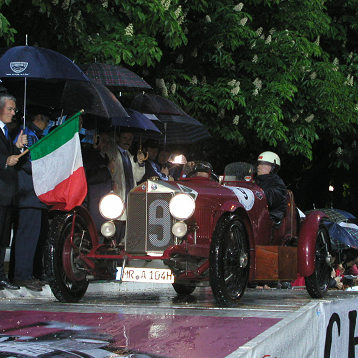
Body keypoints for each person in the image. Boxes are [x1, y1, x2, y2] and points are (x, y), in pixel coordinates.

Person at [12, 111, 50, 291]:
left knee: (35, 237)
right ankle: (22, 275)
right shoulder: (26, 134)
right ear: (38, 118)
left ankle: (30, 273)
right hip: (28, 194)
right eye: (47, 119)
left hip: (35, 195)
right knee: (27, 237)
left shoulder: (36, 135)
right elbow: (27, 162)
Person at [0, 94, 27, 290]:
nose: (13, 112)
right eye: (9, 109)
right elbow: (4, 159)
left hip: (8, 195)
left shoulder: (6, 132)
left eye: (14, 109)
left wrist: (17, 148)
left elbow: (11, 157)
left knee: (3, 238)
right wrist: (4, 161)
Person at [112, 129, 145, 242]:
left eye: (130, 139)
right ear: (118, 138)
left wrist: (140, 163)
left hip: (129, 194)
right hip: (117, 194)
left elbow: (137, 177)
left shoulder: (129, 155)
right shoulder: (112, 153)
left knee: (126, 223)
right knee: (116, 223)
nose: (127, 141)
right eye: (124, 138)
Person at [82, 131, 113, 233]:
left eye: (108, 142)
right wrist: (107, 169)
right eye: (104, 141)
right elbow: (90, 177)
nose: (106, 144)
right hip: (94, 200)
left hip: (105, 199)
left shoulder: (105, 156)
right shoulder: (90, 155)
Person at [254, 151, 287, 225]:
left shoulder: (278, 183)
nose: (259, 166)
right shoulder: (254, 181)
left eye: (263, 164)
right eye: (259, 164)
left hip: (270, 219)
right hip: (256, 215)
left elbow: (271, 199)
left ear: (273, 167)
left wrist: (256, 194)